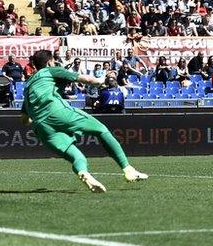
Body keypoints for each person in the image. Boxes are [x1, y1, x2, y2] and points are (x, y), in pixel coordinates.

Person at [20, 50, 148, 193]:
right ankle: (128, 169)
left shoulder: (29, 84)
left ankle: (84, 173)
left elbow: (25, 120)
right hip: (57, 111)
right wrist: (101, 80)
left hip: (41, 127)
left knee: (78, 157)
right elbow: (87, 80)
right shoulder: (51, 70)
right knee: (101, 130)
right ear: (49, 62)